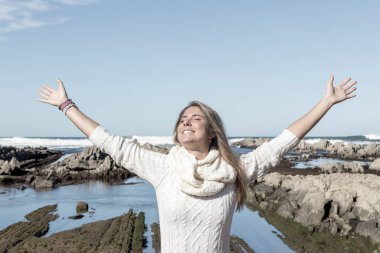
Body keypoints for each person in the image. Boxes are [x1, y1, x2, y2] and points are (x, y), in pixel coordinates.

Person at [38, 75, 357, 252]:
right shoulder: (162, 167)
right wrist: (66, 105)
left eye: (196, 118)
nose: (186, 122)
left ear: (212, 130)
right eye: (182, 119)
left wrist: (326, 103)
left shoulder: (235, 173)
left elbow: (282, 142)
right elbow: (110, 142)